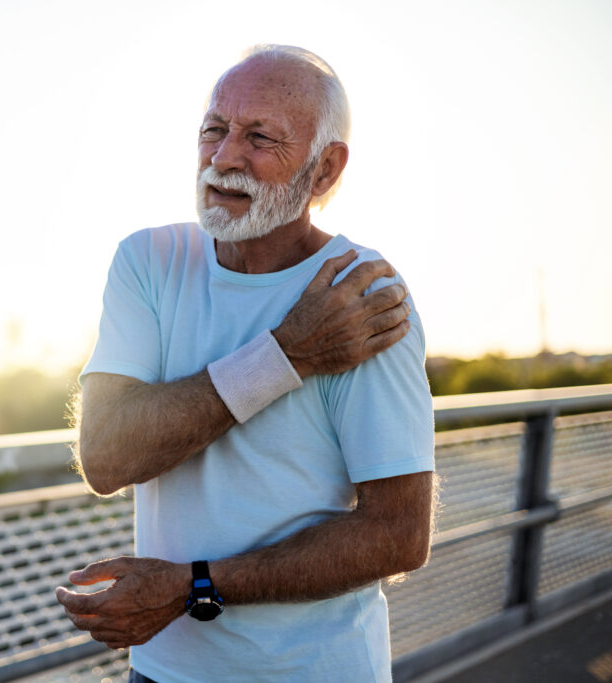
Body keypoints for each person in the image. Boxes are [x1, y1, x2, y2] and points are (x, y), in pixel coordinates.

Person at [55, 44, 435, 682]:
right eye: (214, 129)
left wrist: (191, 587)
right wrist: (285, 355)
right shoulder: (148, 263)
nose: (224, 156)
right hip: (162, 674)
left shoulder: (363, 294)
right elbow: (106, 457)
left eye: (261, 137)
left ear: (324, 170)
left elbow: (397, 535)